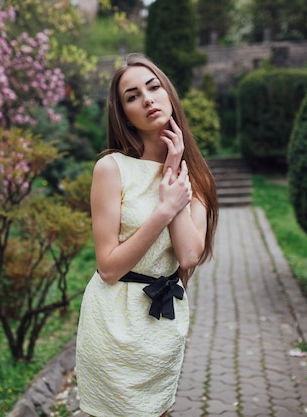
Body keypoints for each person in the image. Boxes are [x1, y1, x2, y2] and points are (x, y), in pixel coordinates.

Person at [75, 53, 219, 417]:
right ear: (124, 114)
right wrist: (165, 210)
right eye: (133, 96)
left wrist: (172, 172)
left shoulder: (195, 178)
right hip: (112, 321)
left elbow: (188, 256)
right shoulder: (111, 169)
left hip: (162, 322)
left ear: (169, 94)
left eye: (154, 88)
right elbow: (108, 268)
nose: (148, 99)